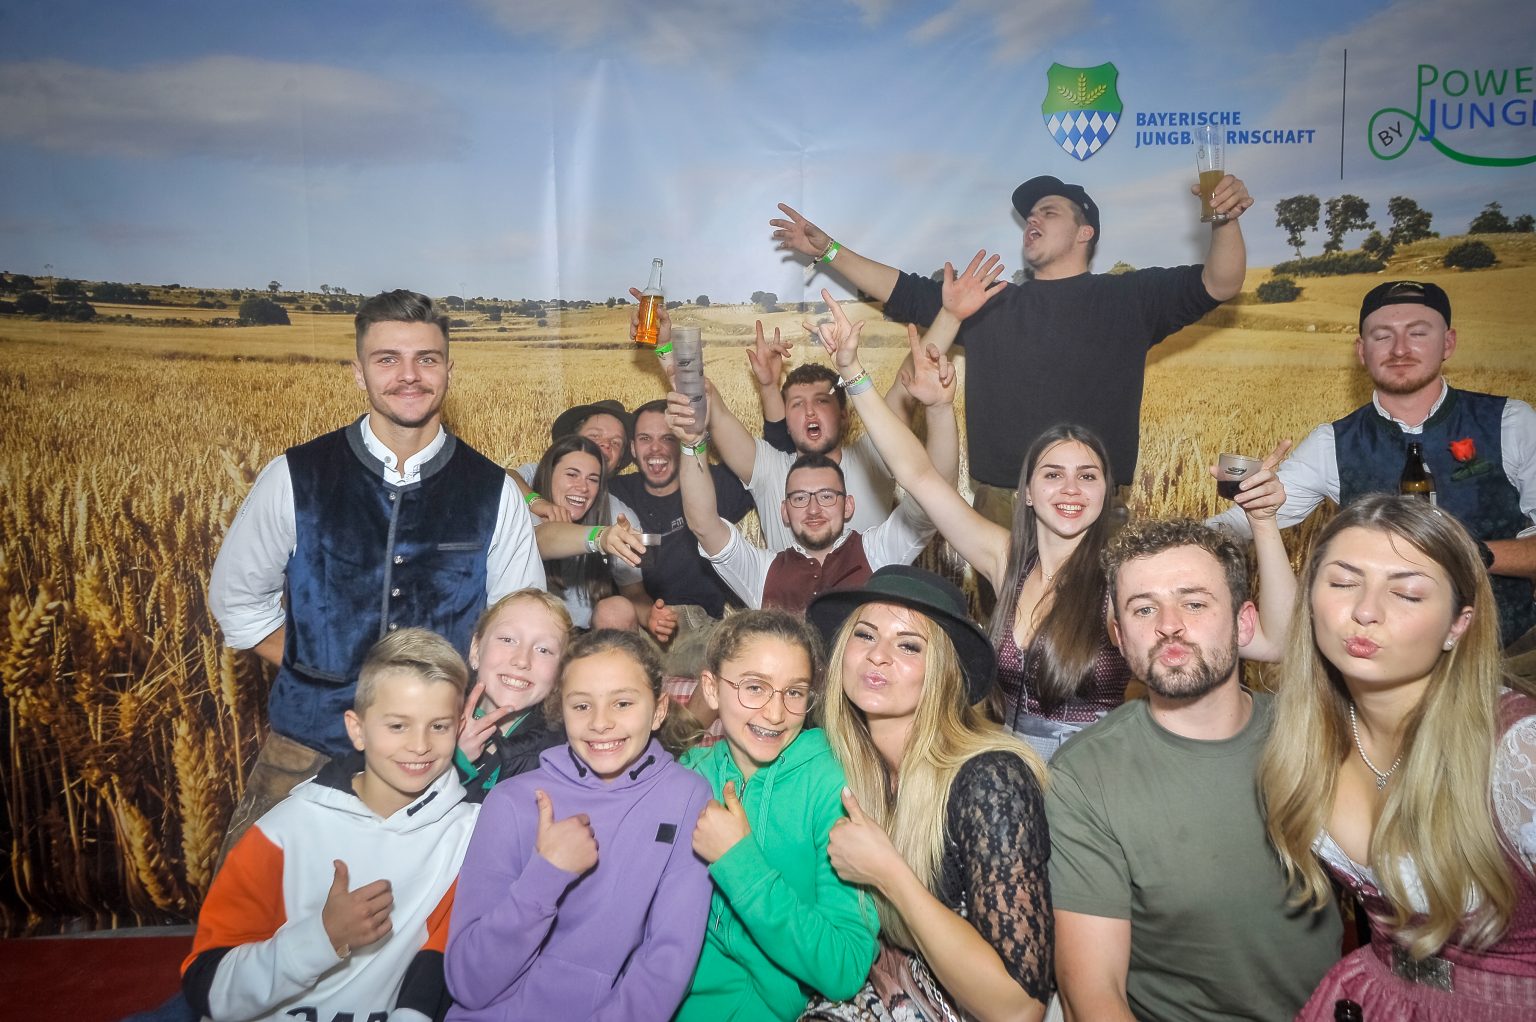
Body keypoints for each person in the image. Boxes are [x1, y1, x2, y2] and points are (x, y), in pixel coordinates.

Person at [808, 281, 1295, 758]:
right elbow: (916, 473)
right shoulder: (1005, 560)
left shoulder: (1124, 581)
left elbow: (1274, 642)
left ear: (1105, 493)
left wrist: (1264, 522)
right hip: (1008, 771)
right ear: (1026, 493)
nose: (1070, 489)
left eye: (1088, 476)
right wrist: (852, 370)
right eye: (1053, 474)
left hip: (1096, 778)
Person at [208, 289, 544, 852]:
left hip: (440, 761)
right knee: (255, 900)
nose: (409, 375)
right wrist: (323, 674)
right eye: (388, 359)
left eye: (426, 359)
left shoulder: (494, 492)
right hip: (308, 750)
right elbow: (237, 604)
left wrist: (457, 719)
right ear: (359, 372)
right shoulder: (295, 476)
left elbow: (521, 631)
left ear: (449, 371)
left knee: (433, 907)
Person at [770, 173, 1253, 527]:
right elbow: (902, 290)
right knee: (1004, 633)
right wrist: (828, 249)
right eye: (1029, 215)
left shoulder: (1131, 298)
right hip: (1001, 507)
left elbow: (1220, 282)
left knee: (1092, 631)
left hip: (1092, 503)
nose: (1032, 219)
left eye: (1049, 212)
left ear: (1085, 233)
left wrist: (1225, 219)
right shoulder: (989, 301)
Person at [1047, 519, 1341, 1022]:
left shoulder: (1314, 737)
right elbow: (1093, 995)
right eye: (1144, 608)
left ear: (1244, 624)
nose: (1169, 625)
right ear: (1119, 635)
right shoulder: (1085, 776)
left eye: (1195, 603)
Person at [1260, 494, 1536, 1020]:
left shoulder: (1519, 752)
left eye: (1407, 593)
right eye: (1343, 583)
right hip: (1375, 996)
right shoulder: (1309, 735)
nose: (1365, 611)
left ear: (1458, 625)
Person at [1211, 279, 1536, 650]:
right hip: (1380, 660)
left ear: (1448, 343)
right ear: (1361, 351)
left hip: (1506, 653)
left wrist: (1466, 553)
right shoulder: (1332, 442)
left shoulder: (1510, 422)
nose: (1399, 349)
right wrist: (1185, 538)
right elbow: (1241, 522)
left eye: (1417, 333)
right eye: (1382, 336)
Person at [182, 628, 479, 1022]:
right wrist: (323, 937)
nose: (420, 745)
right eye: (398, 726)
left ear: (459, 726)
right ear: (357, 729)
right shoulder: (283, 833)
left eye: (438, 726)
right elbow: (208, 990)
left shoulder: (471, 834)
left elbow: (437, 963)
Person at [801, 565, 1052, 1022]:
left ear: (942, 672)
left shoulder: (991, 780)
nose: (878, 656)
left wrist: (888, 873)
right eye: (865, 635)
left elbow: (1019, 1009)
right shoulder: (836, 766)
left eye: (908, 645)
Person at [444, 629, 713, 1021]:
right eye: (582, 705)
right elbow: (468, 982)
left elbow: (666, 962)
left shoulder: (686, 796)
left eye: (622, 703)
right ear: (562, 711)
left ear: (658, 710)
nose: (600, 723)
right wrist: (546, 875)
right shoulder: (511, 801)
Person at [676, 610, 879, 1020]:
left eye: (795, 692)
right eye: (754, 687)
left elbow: (846, 965)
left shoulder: (832, 786)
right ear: (711, 689)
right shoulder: (688, 776)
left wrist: (739, 861)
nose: (775, 713)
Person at [669, 375, 945, 614]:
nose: (813, 509)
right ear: (785, 511)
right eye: (800, 498)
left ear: (848, 506)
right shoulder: (763, 572)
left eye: (826, 496)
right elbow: (703, 524)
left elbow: (935, 496)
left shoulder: (878, 552)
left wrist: (939, 409)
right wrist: (692, 444)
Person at [608, 398, 756, 669]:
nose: (656, 448)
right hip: (638, 629)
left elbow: (766, 466)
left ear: (682, 444)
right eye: (645, 438)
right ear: (633, 448)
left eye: (668, 438)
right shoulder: (616, 493)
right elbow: (549, 477)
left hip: (702, 629)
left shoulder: (714, 483)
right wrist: (537, 501)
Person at [454, 589, 571, 794]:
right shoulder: (427, 720)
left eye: (543, 650)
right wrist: (449, 762)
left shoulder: (560, 759)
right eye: (508, 640)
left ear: (559, 671)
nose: (522, 660)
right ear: (475, 650)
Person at [527, 435, 645, 631]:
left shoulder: (616, 514)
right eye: (572, 475)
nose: (582, 487)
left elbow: (634, 592)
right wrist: (600, 537)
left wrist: (653, 618)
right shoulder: (524, 504)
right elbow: (540, 539)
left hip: (586, 634)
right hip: (532, 628)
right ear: (549, 473)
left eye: (592, 479)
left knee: (617, 610)